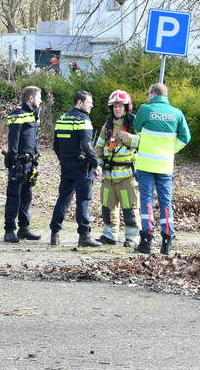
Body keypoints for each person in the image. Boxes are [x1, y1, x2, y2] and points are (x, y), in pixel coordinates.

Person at [119, 83, 190, 255]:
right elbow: (185, 137)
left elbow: (137, 126)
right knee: (166, 202)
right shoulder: (177, 113)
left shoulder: (145, 109)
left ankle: (146, 241)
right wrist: (170, 150)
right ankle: (167, 241)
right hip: (165, 165)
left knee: (147, 201)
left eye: (147, 93)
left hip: (145, 165)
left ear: (152, 94)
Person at [49, 90, 102, 247]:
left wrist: (64, 159)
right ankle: (84, 236)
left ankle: (54, 234)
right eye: (89, 102)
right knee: (83, 200)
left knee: (63, 199)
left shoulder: (62, 118)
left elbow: (56, 145)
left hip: (66, 166)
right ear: (80, 102)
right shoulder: (83, 120)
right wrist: (96, 164)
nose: (91, 105)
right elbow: (86, 145)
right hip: (81, 167)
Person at [94, 89, 139, 247]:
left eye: (120, 106)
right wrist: (98, 165)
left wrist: (128, 138)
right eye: (114, 106)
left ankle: (132, 238)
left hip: (127, 176)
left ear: (127, 107)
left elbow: (144, 142)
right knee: (107, 207)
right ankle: (109, 236)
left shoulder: (134, 123)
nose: (117, 109)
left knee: (130, 209)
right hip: (108, 175)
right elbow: (99, 147)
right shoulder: (107, 125)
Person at [3, 86, 43, 243]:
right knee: (14, 197)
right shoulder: (17, 115)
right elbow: (13, 141)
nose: (41, 100)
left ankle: (24, 229)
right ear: (31, 99)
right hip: (19, 163)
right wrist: (14, 163)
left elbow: (34, 139)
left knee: (26, 197)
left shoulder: (33, 115)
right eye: (39, 97)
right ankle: (9, 230)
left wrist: (35, 159)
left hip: (30, 163)